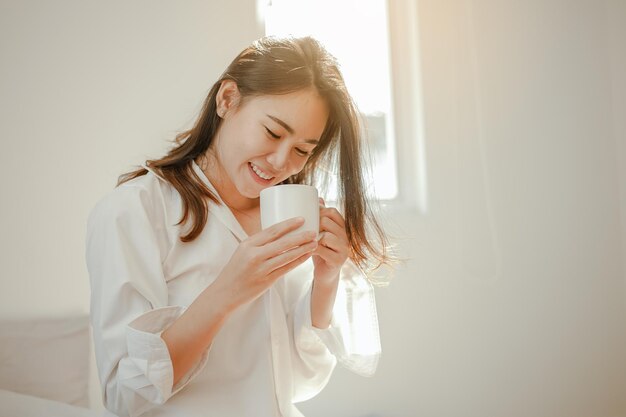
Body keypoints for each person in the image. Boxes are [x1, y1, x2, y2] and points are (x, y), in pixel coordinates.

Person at [86, 36, 392, 417]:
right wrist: (228, 290)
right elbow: (124, 395)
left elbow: (299, 383)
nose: (282, 162)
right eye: (273, 133)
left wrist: (326, 281)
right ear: (227, 99)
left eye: (302, 150)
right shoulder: (134, 211)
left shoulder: (287, 216)